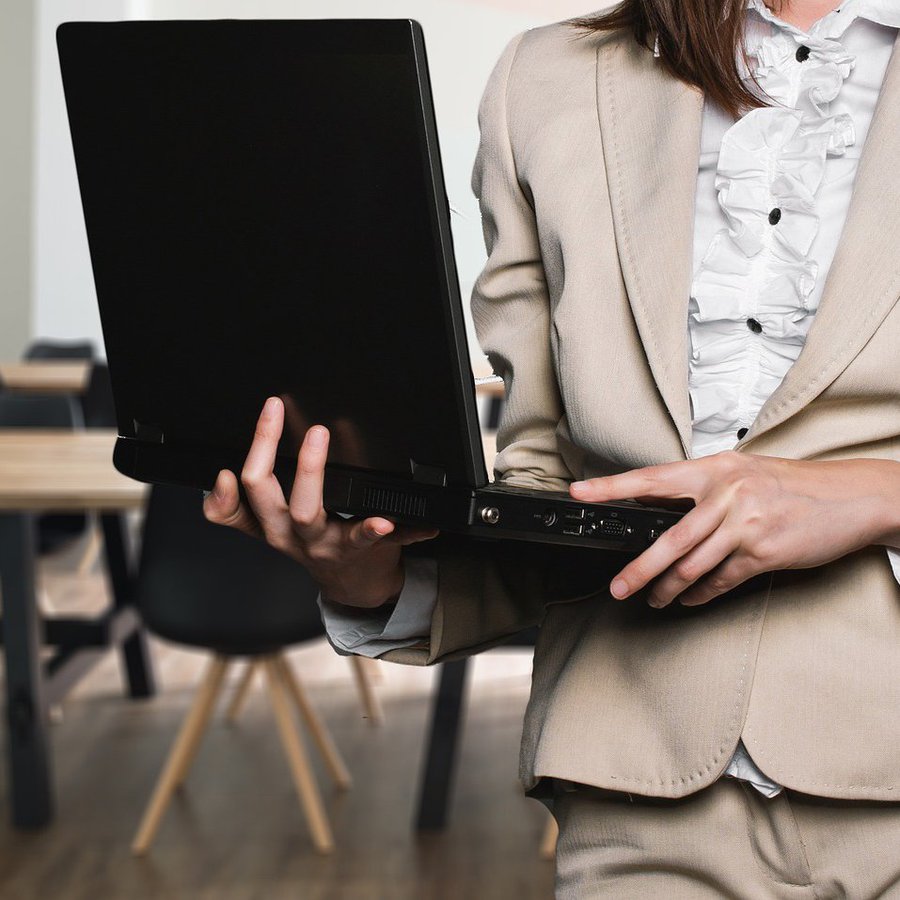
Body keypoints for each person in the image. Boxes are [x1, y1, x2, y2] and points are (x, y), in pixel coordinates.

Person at [205, 0, 900, 895]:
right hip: (637, 785)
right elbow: (544, 485)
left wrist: (874, 495)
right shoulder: (546, 80)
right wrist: (366, 573)